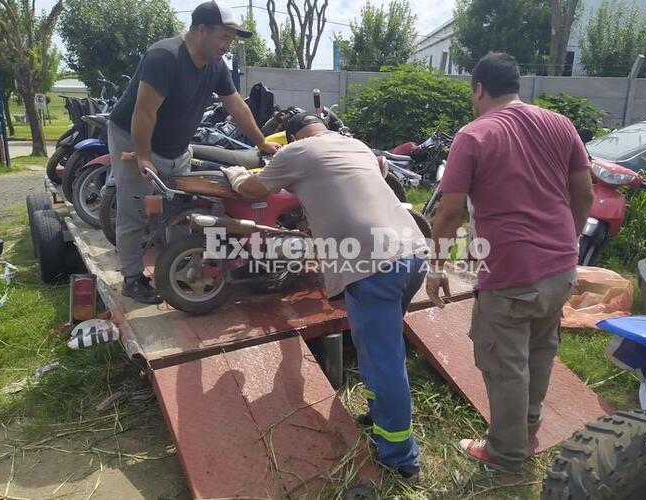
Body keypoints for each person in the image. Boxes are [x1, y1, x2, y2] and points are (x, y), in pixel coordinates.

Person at [223, 113, 429, 478]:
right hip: (412, 251)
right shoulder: (357, 145)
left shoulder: (295, 151)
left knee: (384, 357)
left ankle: (400, 458)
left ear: (291, 136)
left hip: (373, 265)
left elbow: (254, 191)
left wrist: (236, 174)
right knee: (376, 345)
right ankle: (381, 416)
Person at [426, 52, 594, 472]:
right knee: (541, 347)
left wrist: (436, 267)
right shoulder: (561, 124)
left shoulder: (474, 135)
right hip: (561, 268)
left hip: (510, 274)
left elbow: (448, 213)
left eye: (472, 92)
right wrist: (566, 244)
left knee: (505, 363)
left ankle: (505, 453)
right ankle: (530, 419)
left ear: (479, 88)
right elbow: (585, 195)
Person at [108, 0, 280, 304]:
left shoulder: (215, 65)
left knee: (183, 205)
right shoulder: (165, 57)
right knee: (134, 209)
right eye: (224, 37)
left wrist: (261, 142)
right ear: (202, 30)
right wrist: (143, 157)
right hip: (134, 141)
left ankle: (177, 260)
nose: (227, 46)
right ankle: (132, 278)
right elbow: (144, 111)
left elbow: (236, 105)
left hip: (177, 147)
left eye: (230, 39)